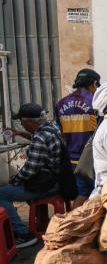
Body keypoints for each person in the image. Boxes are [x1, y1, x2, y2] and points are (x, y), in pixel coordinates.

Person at [0, 104, 66, 248]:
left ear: (30, 121)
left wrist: (15, 180)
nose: (23, 126)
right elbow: (37, 138)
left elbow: (30, 169)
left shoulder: (40, 137)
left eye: (23, 123)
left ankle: (23, 234)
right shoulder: (51, 128)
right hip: (56, 181)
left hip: (46, 185)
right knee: (8, 190)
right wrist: (19, 133)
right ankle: (15, 226)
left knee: (1, 193)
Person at [54, 68, 101, 208]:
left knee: (83, 193)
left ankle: (77, 224)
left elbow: (60, 132)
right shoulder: (96, 103)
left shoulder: (61, 104)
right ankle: (79, 224)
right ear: (94, 83)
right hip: (92, 158)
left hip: (72, 158)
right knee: (95, 194)